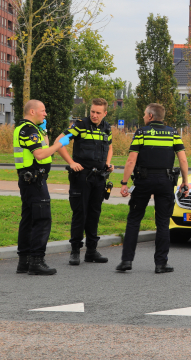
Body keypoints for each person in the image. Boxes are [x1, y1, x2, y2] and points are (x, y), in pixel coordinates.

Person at [116, 103, 189, 274]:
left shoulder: (141, 133)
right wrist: (185, 182)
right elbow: (183, 160)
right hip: (165, 181)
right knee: (163, 222)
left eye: (144, 114)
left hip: (143, 180)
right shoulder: (173, 133)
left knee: (134, 220)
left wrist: (124, 182)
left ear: (150, 116)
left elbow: (131, 161)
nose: (143, 117)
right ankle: (161, 264)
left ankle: (126, 261)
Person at [15, 100, 71, 275]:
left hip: (31, 180)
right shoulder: (28, 130)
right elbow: (40, 154)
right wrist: (60, 144)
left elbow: (43, 146)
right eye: (43, 111)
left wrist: (44, 130)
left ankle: (24, 261)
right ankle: (36, 261)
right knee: (42, 219)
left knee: (29, 219)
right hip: (34, 180)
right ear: (32, 111)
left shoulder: (32, 129)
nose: (45, 113)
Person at [56, 98, 114, 266]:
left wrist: (108, 163)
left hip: (99, 178)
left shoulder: (107, 127)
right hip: (82, 177)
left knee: (94, 213)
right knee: (80, 213)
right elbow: (59, 142)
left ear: (105, 113)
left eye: (98, 112)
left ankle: (91, 251)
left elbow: (109, 146)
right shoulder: (80, 125)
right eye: (92, 112)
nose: (94, 115)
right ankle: (75, 251)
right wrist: (71, 163)